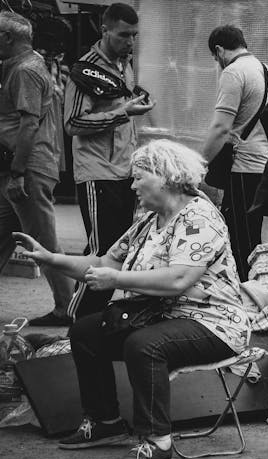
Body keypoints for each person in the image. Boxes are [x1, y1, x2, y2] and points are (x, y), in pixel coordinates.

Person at [14, 140, 252, 459]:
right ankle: (104, 422)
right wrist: (50, 258)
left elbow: (178, 279)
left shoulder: (199, 216)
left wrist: (117, 281)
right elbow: (102, 262)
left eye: (139, 177)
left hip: (214, 324)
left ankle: (157, 441)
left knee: (144, 345)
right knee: (86, 330)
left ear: (165, 176)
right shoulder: (148, 220)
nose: (133, 184)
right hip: (161, 317)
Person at [64, 3, 155, 321]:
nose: (130, 42)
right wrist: (122, 112)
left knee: (115, 251)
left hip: (124, 172)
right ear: (104, 31)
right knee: (102, 255)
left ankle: (89, 323)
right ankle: (77, 324)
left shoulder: (123, 65)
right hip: (96, 173)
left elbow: (122, 114)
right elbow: (72, 124)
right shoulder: (84, 70)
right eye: (123, 35)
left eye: (134, 36)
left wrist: (135, 105)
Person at [0, 11, 74, 325]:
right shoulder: (20, 66)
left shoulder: (26, 70)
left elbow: (29, 125)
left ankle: (65, 311)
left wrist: (18, 174)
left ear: (7, 38)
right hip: (20, 168)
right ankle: (65, 309)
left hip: (27, 169)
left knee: (42, 243)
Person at [203, 24, 268, 279]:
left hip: (243, 169)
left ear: (219, 50)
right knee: (252, 237)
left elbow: (220, 128)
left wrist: (198, 163)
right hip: (266, 166)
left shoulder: (234, 72)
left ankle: (245, 296)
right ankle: (255, 289)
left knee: (239, 241)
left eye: (216, 59)